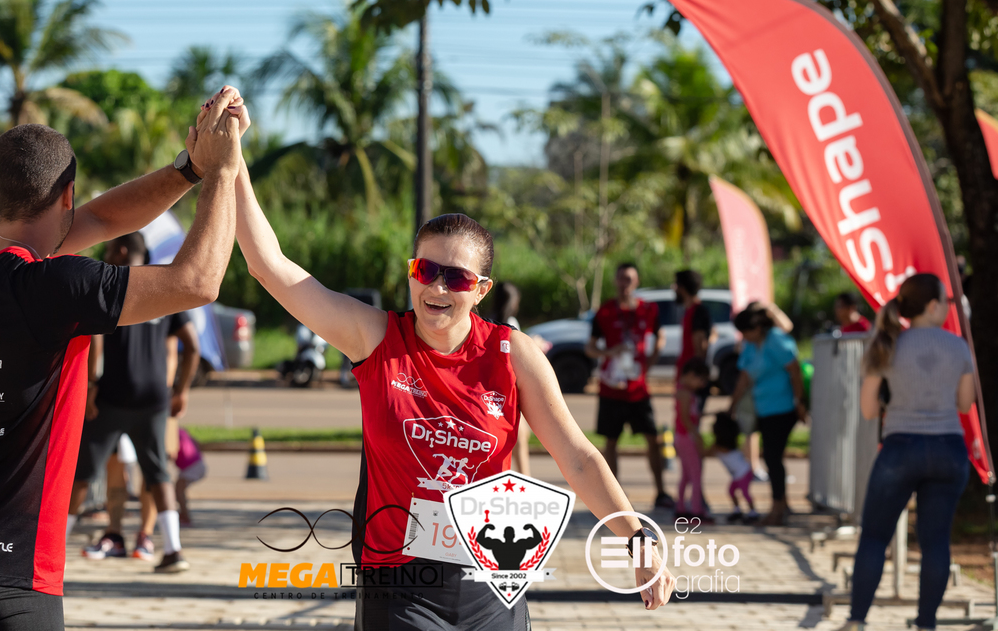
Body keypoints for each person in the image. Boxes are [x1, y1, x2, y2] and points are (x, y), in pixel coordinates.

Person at [233, 190, 675, 627]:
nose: (436, 287)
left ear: (482, 290)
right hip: (398, 585)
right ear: (411, 273)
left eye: (457, 278)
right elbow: (269, 267)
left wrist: (637, 539)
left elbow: (578, 458)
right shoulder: (376, 338)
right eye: (425, 270)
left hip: (493, 580)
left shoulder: (512, 354)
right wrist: (229, 162)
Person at [0, 90, 247, 630]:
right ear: (67, 195)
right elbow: (197, 282)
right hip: (7, 577)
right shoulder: (49, 287)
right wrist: (223, 170)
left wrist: (190, 168)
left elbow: (104, 218)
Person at [844, 273, 975, 631]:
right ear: (933, 306)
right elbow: (965, 404)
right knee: (935, 542)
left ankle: (857, 620)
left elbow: (869, 410)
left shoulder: (886, 345)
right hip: (948, 449)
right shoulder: (959, 347)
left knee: (874, 537)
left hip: (900, 448)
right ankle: (926, 623)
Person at [69, 232, 201, 573]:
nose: (107, 253)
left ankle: (50, 551)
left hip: (114, 395)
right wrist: (181, 389)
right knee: (158, 474)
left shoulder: (112, 283)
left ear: (123, 250)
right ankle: (173, 550)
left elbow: (95, 337)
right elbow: (193, 347)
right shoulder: (164, 286)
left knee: (84, 473)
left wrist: (92, 384)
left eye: (111, 247)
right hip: (155, 398)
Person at [585, 262, 671, 509]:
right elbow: (589, 348)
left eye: (630, 279)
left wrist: (649, 364)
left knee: (653, 438)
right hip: (611, 389)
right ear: (615, 281)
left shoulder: (648, 309)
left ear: (637, 282)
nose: (625, 284)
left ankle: (661, 491)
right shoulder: (605, 311)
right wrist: (610, 352)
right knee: (610, 441)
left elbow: (660, 338)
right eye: (621, 278)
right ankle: (615, 497)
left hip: (638, 389)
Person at [728, 305, 807, 525]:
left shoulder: (777, 341)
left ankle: (777, 509)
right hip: (763, 409)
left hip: (782, 409)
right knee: (773, 459)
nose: (744, 336)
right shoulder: (751, 346)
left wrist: (799, 402)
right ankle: (781, 505)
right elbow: (744, 377)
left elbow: (795, 371)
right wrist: (732, 405)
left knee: (773, 458)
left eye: (745, 331)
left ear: (757, 327)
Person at [489, 282, 530, 477]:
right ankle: (526, 480)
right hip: (511, 389)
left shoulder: (487, 320)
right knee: (521, 439)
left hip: (493, 387)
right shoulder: (511, 324)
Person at [673, 357, 710, 521]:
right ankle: (696, 510)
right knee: (695, 475)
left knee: (687, 475)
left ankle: (681, 506)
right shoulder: (686, 394)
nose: (702, 385)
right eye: (700, 380)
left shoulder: (683, 391)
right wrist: (697, 436)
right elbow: (685, 418)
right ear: (691, 375)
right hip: (687, 437)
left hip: (681, 437)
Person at [707, 413, 757, 523]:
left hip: (743, 472)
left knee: (745, 493)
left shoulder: (719, 446)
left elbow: (706, 452)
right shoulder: (728, 445)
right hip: (739, 473)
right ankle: (737, 510)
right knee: (731, 491)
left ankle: (753, 513)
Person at [673, 269, 711, 363]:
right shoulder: (689, 310)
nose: (674, 288)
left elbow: (700, 349)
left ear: (682, 288)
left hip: (691, 374)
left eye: (676, 285)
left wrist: (694, 374)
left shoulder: (698, 312)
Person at [174, 426, 206, 527]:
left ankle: (185, 515)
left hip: (192, 466)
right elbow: (195, 442)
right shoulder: (180, 430)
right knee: (179, 490)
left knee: (178, 491)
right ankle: (183, 513)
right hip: (197, 463)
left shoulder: (172, 434)